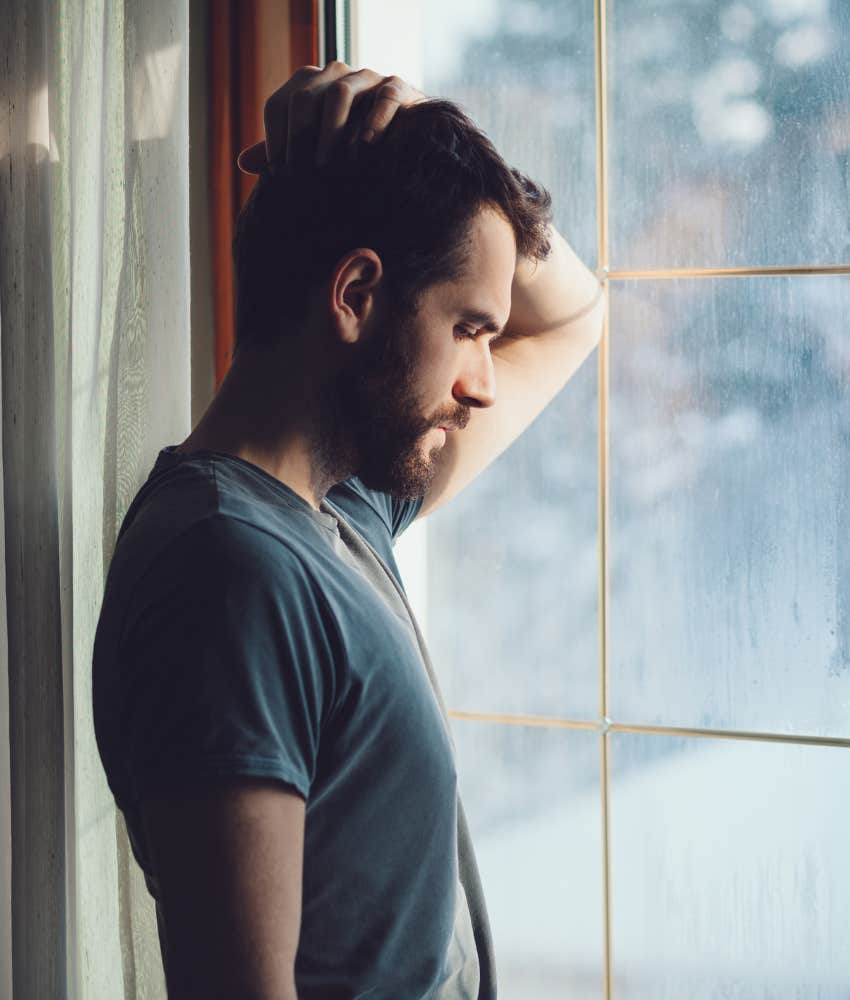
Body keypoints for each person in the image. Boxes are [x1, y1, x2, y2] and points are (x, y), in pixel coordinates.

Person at [92, 62, 604, 999]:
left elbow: (575, 313)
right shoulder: (229, 570)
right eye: (469, 329)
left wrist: (420, 132)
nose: (484, 380)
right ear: (357, 295)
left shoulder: (346, 509)